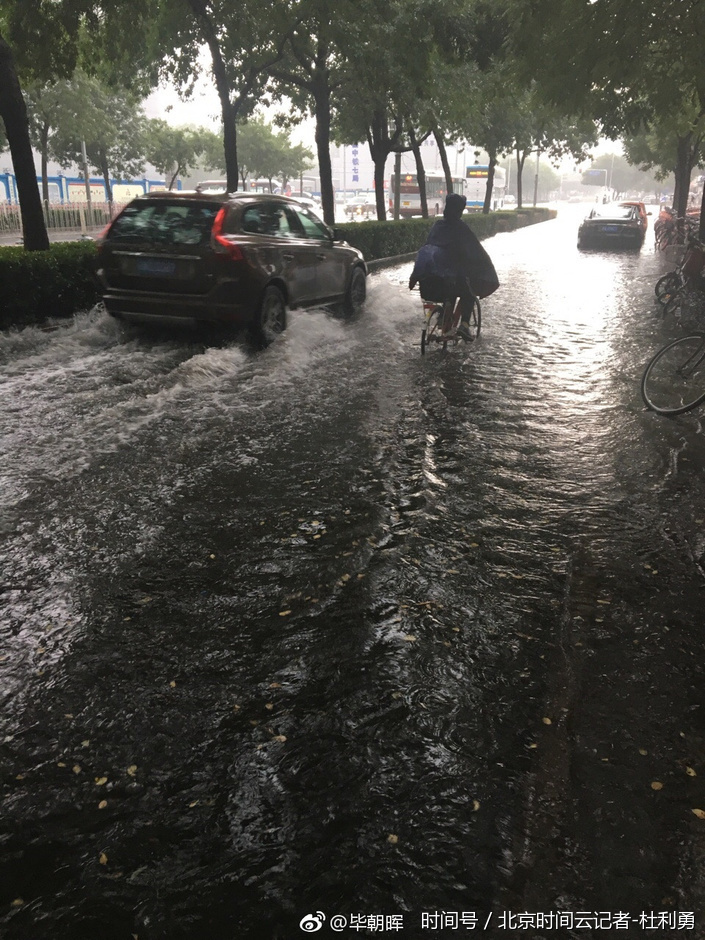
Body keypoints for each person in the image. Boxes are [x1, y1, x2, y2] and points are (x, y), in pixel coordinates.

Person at [408, 192, 499, 341]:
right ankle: (464, 325)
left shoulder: (438, 226)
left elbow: (429, 244)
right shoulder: (461, 228)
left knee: (446, 293)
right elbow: (475, 251)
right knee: (468, 295)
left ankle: (443, 316)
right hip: (453, 278)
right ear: (459, 211)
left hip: (431, 281)